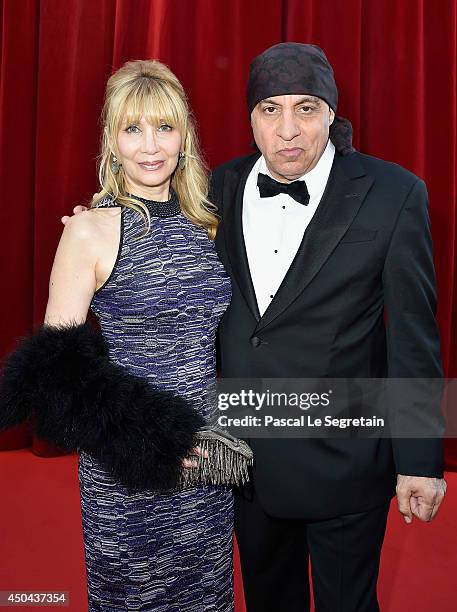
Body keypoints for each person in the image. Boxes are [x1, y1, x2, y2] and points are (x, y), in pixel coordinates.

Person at [0, 59, 252, 611]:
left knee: (207, 596)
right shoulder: (89, 229)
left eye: (164, 126)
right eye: (132, 129)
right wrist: (155, 440)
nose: (150, 145)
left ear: (184, 136)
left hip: (208, 458)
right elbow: (55, 370)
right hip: (128, 462)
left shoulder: (209, 221)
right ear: (111, 142)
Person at [209, 43, 447, 611]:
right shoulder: (214, 189)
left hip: (345, 457)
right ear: (250, 119)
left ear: (332, 115)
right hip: (245, 458)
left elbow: (413, 335)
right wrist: (95, 226)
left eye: (306, 108)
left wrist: (420, 460)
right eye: (270, 110)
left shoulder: (394, 194)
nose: (288, 129)